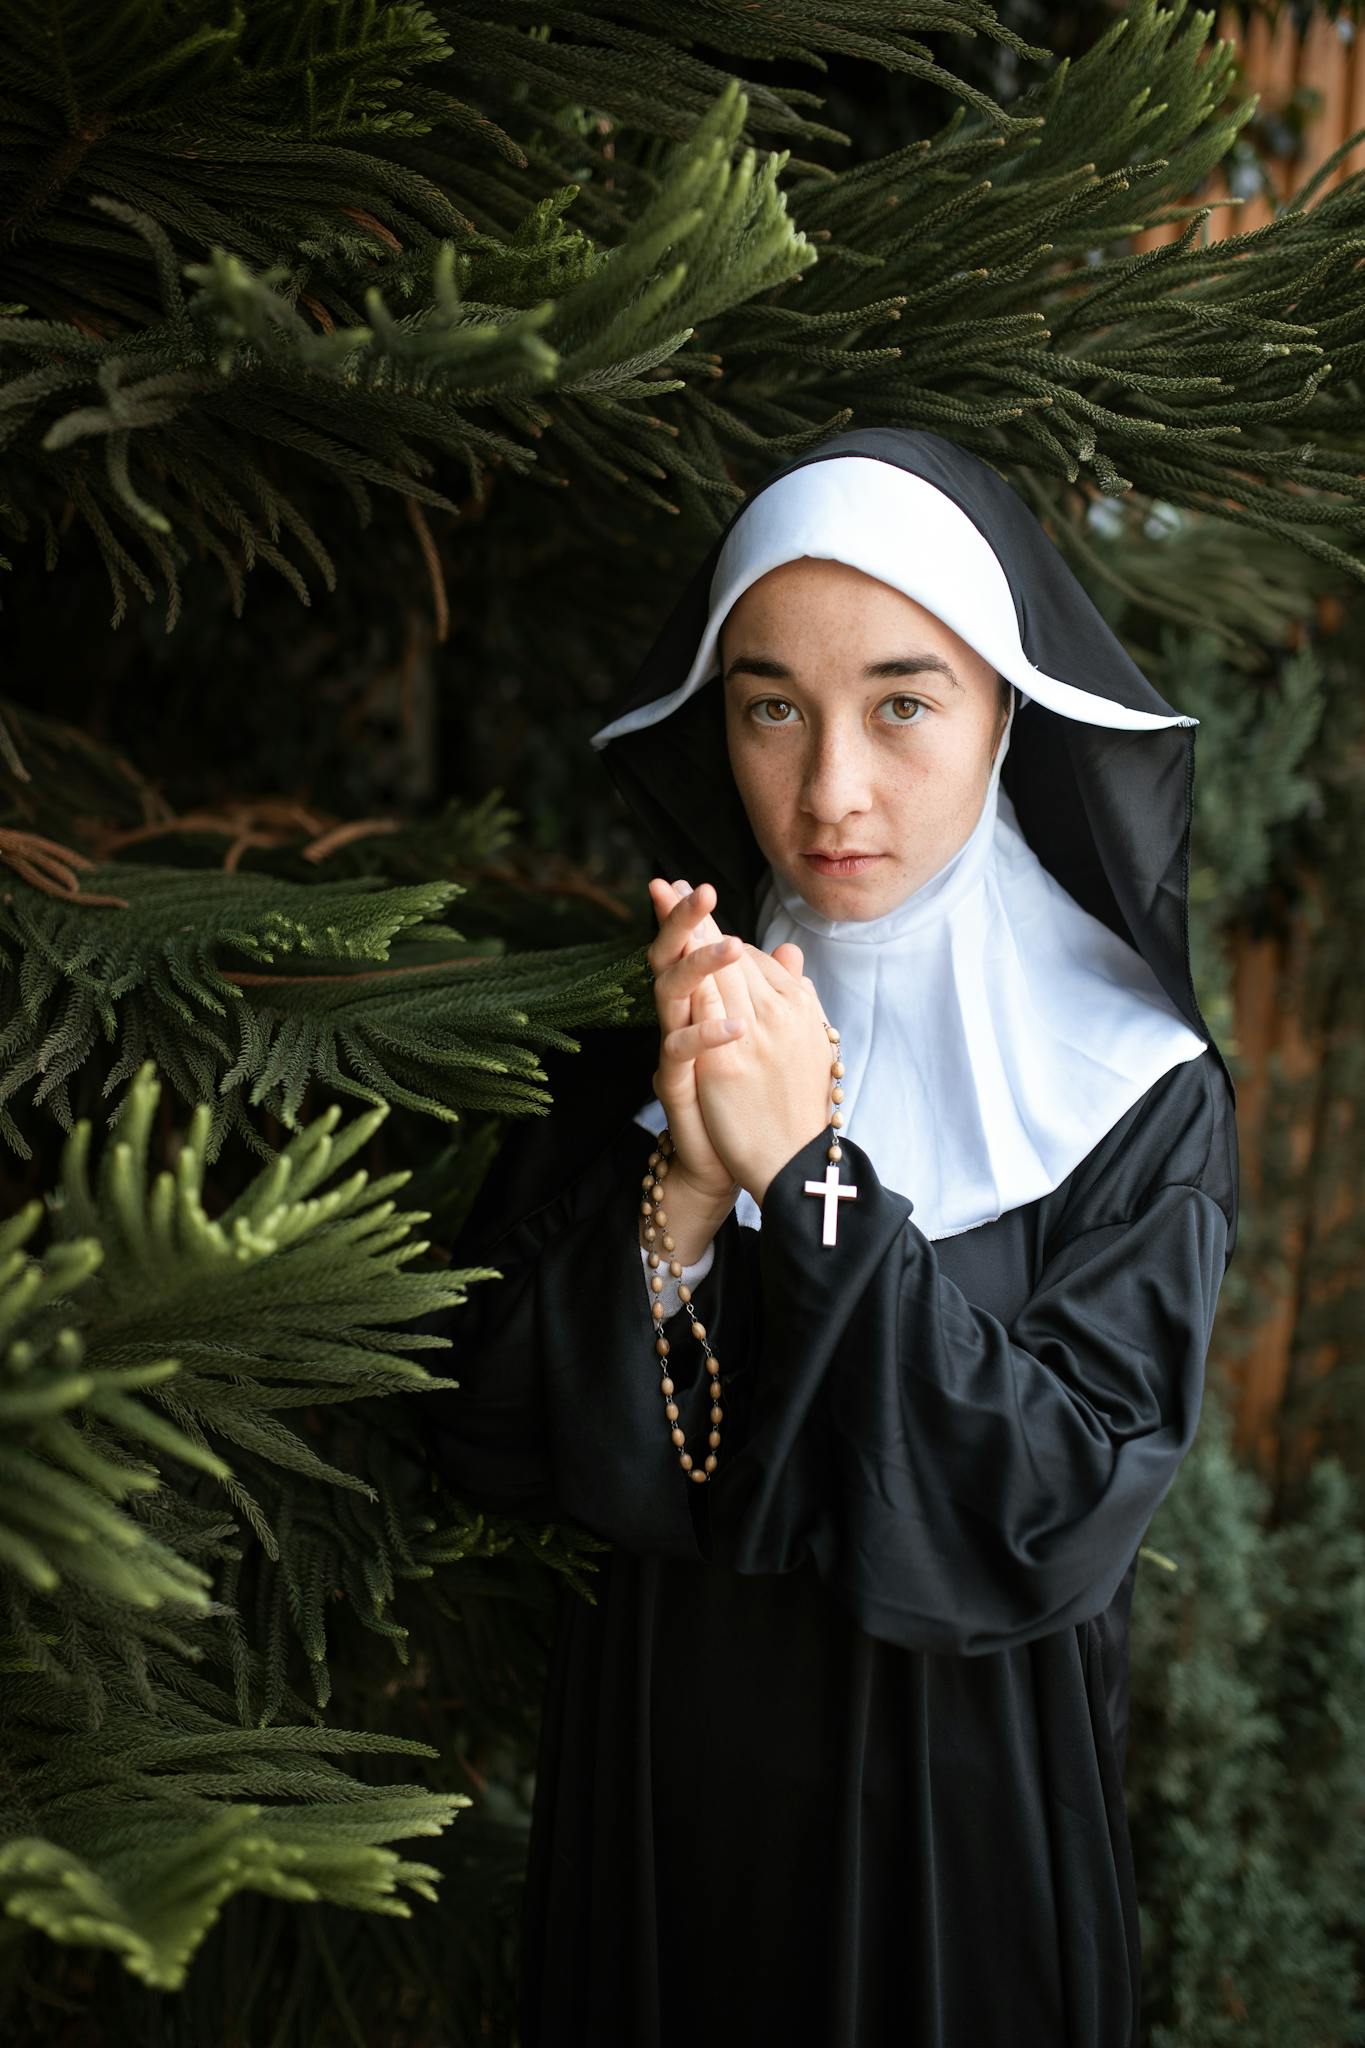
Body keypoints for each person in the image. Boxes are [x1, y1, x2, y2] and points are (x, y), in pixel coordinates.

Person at [424, 426, 1240, 2048]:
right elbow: (492, 1433)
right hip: (654, 1794)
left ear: (1004, 705)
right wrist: (682, 1182)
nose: (829, 791)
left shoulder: (1132, 1090)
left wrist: (805, 1171)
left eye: (902, 703)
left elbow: (1050, 1512)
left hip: (958, 1826)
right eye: (769, 708)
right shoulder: (643, 1044)